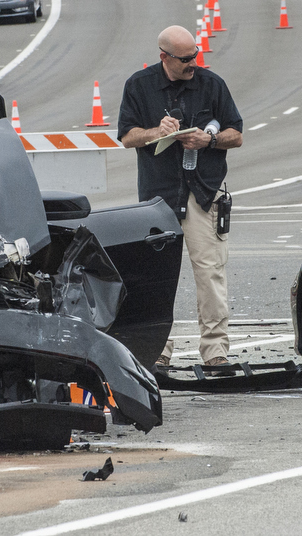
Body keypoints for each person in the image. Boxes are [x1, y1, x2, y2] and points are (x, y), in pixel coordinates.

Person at [118, 25, 243, 373]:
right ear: (164, 57)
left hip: (204, 192)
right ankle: (158, 351)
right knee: (158, 278)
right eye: (186, 59)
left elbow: (236, 133)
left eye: (195, 56)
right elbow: (127, 137)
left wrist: (210, 141)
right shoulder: (138, 86)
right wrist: (156, 133)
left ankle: (216, 351)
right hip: (158, 198)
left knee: (210, 272)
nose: (193, 63)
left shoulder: (211, 84)